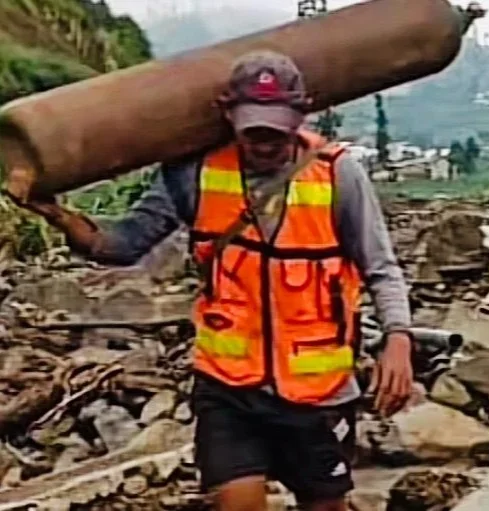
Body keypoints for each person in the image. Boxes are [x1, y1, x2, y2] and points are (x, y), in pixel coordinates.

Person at [18, 51, 413, 511]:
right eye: (253, 129)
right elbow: (124, 245)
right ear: (228, 115)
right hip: (228, 386)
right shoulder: (194, 174)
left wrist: (398, 339)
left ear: (301, 114)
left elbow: (380, 267)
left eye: (275, 128)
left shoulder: (339, 175)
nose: (264, 142)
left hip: (318, 392)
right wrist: (60, 216)